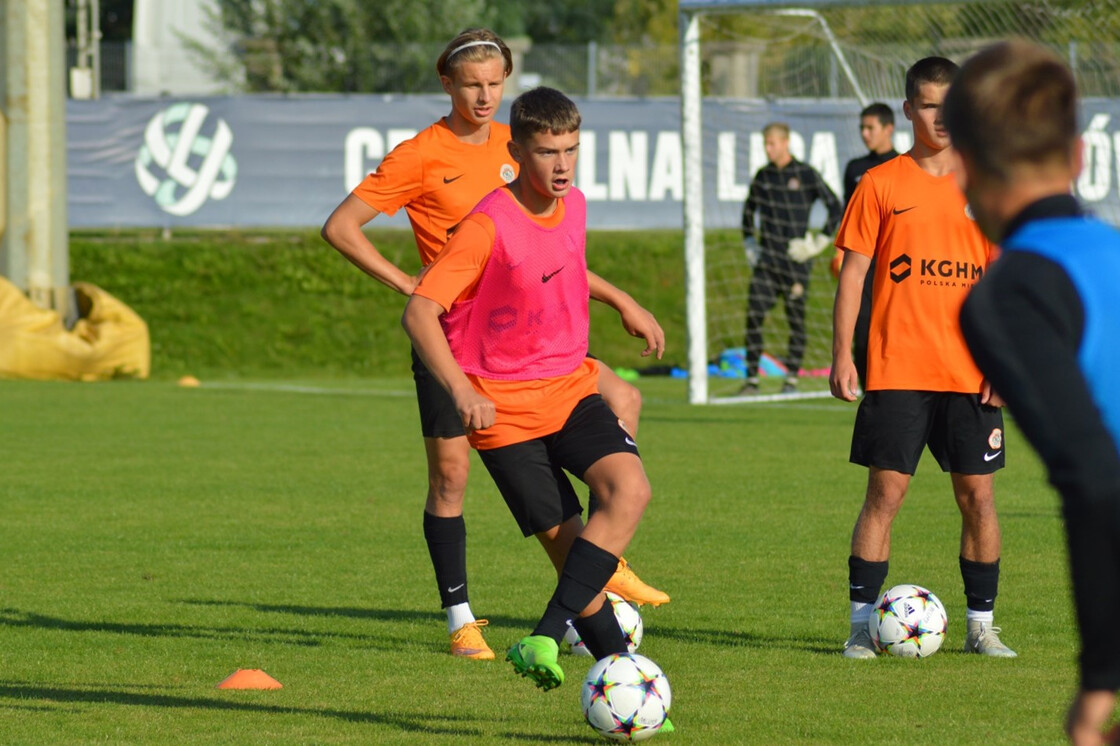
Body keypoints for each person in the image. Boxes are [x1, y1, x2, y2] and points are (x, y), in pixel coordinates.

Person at [320, 29, 668, 663]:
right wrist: (411, 284)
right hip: (462, 352)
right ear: (446, 82)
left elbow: (546, 255)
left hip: (540, 351)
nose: (484, 94)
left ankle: (598, 562)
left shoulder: (530, 163)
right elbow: (342, 227)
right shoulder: (423, 156)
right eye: (472, 83)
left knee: (625, 400)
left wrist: (621, 300)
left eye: (495, 83)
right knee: (451, 477)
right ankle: (465, 617)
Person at [402, 87, 671, 720]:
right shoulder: (485, 225)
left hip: (569, 387)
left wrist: (622, 301)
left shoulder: (572, 204)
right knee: (576, 561)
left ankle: (546, 637)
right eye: (548, 151)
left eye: (571, 150)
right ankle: (621, 701)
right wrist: (463, 389)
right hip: (504, 411)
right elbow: (420, 311)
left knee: (629, 492)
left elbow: (567, 266)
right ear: (516, 150)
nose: (562, 165)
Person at [950, 41, 1120, 745]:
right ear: (1079, 156)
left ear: (964, 167)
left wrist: (1100, 680)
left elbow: (1097, 483)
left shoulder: (1008, 294)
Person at [830, 56, 1016, 660]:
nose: (941, 117)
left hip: (971, 374)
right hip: (898, 369)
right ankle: (861, 626)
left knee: (979, 499)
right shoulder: (881, 183)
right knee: (883, 497)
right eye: (930, 105)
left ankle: (981, 626)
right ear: (909, 109)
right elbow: (853, 275)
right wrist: (842, 353)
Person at [740, 122, 843, 395]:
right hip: (767, 261)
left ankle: (792, 379)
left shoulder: (805, 173)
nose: (768, 149)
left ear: (785, 143)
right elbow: (748, 213)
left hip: (796, 262)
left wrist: (817, 243)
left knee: (795, 320)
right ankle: (751, 379)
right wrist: (750, 242)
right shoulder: (763, 176)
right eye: (765, 144)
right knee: (754, 315)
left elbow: (835, 206)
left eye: (772, 143)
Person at [837, 103, 898, 390]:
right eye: (862, 127)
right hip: (862, 262)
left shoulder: (902, 166)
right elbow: (847, 215)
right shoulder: (855, 169)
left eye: (870, 127)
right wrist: (840, 251)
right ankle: (870, 391)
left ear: (889, 129)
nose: (864, 133)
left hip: (894, 265)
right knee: (862, 334)